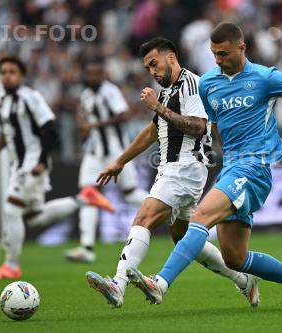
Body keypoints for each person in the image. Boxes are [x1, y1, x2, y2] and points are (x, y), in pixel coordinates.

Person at [126, 22, 282, 308]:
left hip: (255, 167)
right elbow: (213, 126)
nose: (217, 60)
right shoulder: (208, 83)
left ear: (241, 47)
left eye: (222, 53)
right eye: (213, 54)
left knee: (199, 220)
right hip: (231, 167)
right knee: (235, 257)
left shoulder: (264, 77)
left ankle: (160, 283)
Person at [85, 37, 260, 308]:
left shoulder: (193, 84)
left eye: (154, 64)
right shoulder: (167, 91)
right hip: (173, 168)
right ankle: (243, 280)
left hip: (186, 166)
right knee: (184, 238)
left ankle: (117, 284)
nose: (152, 72)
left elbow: (199, 127)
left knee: (144, 216)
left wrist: (157, 107)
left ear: (171, 58)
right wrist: (121, 161)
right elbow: (153, 131)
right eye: (147, 68)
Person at [0, 56, 114, 280]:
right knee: (34, 217)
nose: (7, 76)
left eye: (12, 71)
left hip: (32, 162)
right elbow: (5, 134)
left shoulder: (30, 97)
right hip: (19, 165)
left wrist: (41, 160)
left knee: (11, 208)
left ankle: (11, 265)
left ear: (21, 75)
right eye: (3, 72)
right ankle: (85, 198)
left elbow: (50, 129)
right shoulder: (2, 102)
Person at [63, 63, 148, 263]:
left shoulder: (110, 91)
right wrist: (85, 131)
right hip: (94, 152)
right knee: (87, 195)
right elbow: (84, 122)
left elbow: (124, 115)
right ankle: (86, 247)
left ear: (102, 74)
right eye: (89, 73)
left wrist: (94, 125)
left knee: (130, 194)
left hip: (116, 150)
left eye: (96, 73)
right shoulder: (85, 95)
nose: (93, 76)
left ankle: (170, 207)